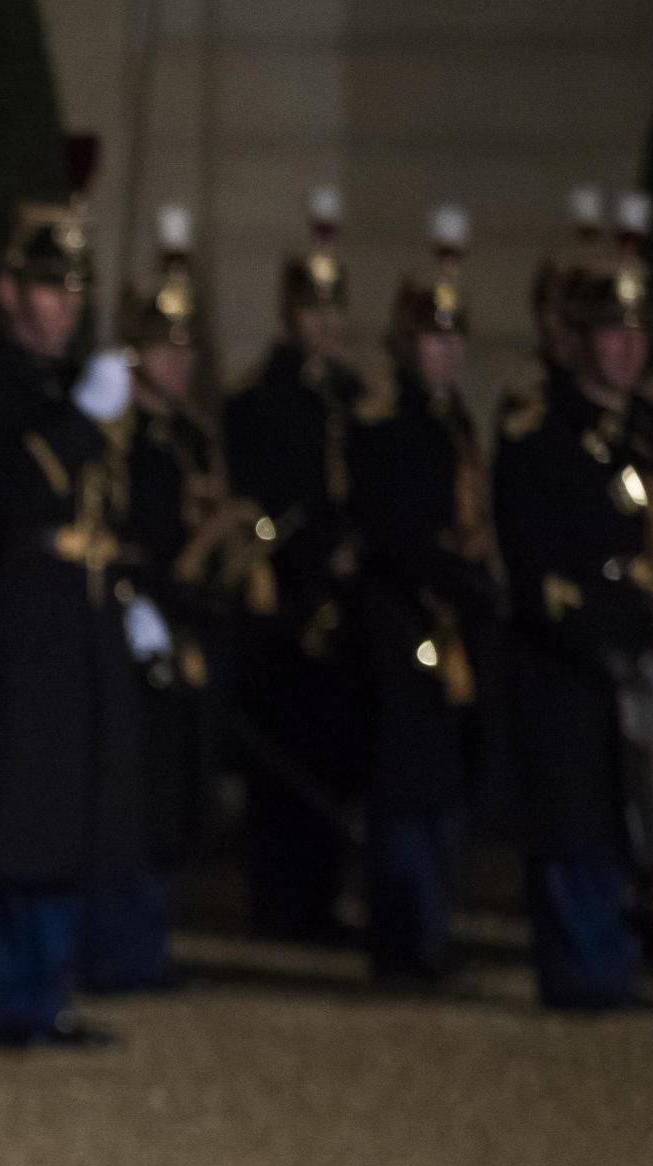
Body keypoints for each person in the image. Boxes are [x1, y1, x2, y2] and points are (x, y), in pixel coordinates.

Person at [0, 196, 145, 1047]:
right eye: (49, 286)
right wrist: (84, 421)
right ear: (9, 290)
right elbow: (3, 492)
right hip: (10, 623)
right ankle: (4, 997)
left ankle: (48, 990)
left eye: (73, 288)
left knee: (70, 811)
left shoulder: (69, 383)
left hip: (78, 620)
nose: (65, 305)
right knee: (10, 812)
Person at [495, 244, 653, 1011]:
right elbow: (537, 561)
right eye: (610, 332)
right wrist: (602, 637)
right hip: (567, 660)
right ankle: (579, 968)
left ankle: (614, 961)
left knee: (623, 816)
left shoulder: (650, 435)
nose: (625, 348)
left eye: (635, 332)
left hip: (638, 655)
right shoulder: (544, 432)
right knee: (572, 818)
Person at [350, 211, 501, 985]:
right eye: (433, 339)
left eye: (454, 340)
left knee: (445, 788)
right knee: (407, 789)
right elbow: (397, 534)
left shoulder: (454, 423)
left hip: (452, 624)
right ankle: (404, 934)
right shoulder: (388, 425)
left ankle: (432, 925)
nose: (445, 352)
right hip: (404, 620)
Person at [88, 206, 232, 994]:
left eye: (186, 348)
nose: (178, 363)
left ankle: (154, 936)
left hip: (191, 626)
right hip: (144, 621)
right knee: (136, 798)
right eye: (164, 348)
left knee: (180, 792)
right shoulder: (128, 441)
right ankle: (123, 948)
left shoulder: (190, 436)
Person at [224, 189, 365, 945]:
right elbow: (259, 505)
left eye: (335, 308)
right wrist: (313, 549)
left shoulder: (348, 396)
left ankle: (321, 896)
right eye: (314, 309)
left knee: (334, 755)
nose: (327, 324)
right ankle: (278, 902)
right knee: (282, 768)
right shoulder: (261, 399)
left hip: (339, 605)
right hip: (284, 600)